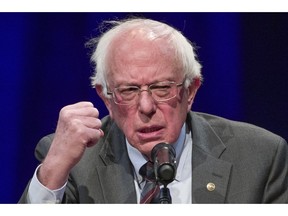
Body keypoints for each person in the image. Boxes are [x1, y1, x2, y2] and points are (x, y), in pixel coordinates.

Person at [19, 17, 288, 204]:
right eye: (128, 91)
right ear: (107, 99)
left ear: (190, 91)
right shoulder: (74, 163)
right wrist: (52, 171)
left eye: (161, 88)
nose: (146, 107)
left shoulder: (260, 157)